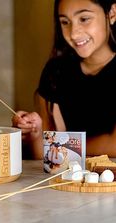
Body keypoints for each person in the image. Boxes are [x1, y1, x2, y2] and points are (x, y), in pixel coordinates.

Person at [13, 0, 116, 159]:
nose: (73, 33)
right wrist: (35, 133)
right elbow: (47, 157)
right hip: (71, 181)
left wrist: (57, 146)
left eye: (84, 19)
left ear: (112, 13)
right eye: (65, 22)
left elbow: (114, 145)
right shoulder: (56, 72)